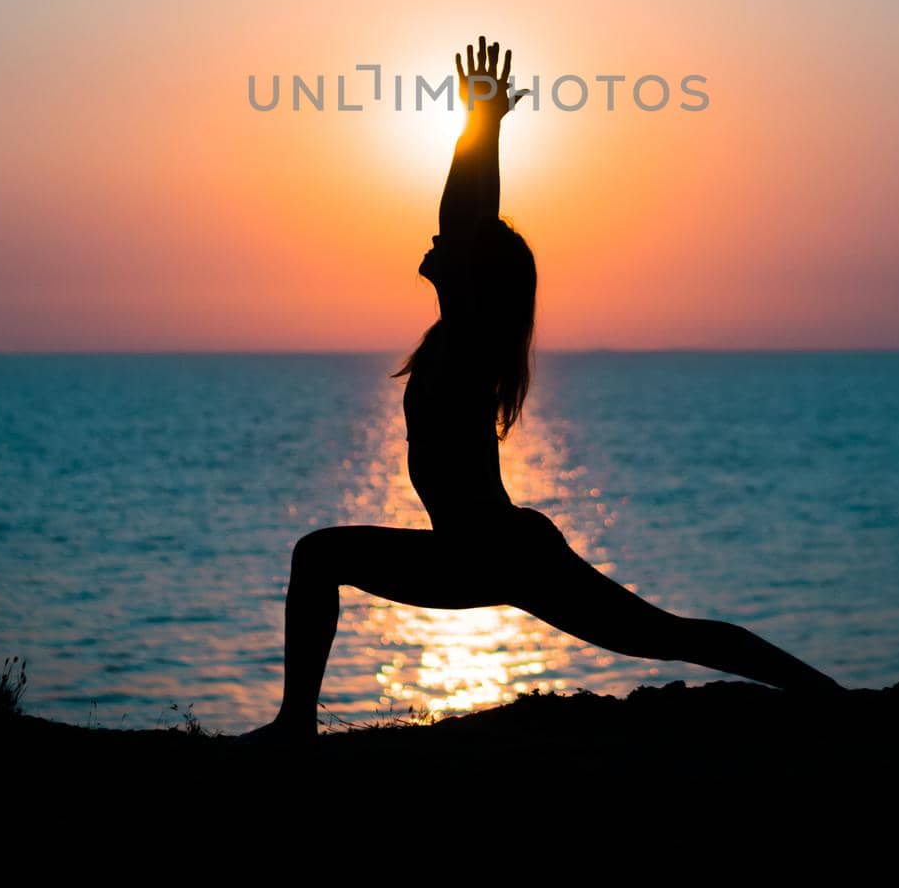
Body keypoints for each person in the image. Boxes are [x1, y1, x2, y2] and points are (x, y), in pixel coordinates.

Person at [242, 37, 842, 745]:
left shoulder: (469, 339)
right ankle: (295, 723)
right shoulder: (453, 337)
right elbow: (460, 223)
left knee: (662, 636)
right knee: (322, 554)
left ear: (477, 276)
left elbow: (465, 219)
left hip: (494, 552)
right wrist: (479, 127)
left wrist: (484, 127)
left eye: (464, 244)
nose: (441, 240)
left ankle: (830, 698)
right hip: (478, 549)